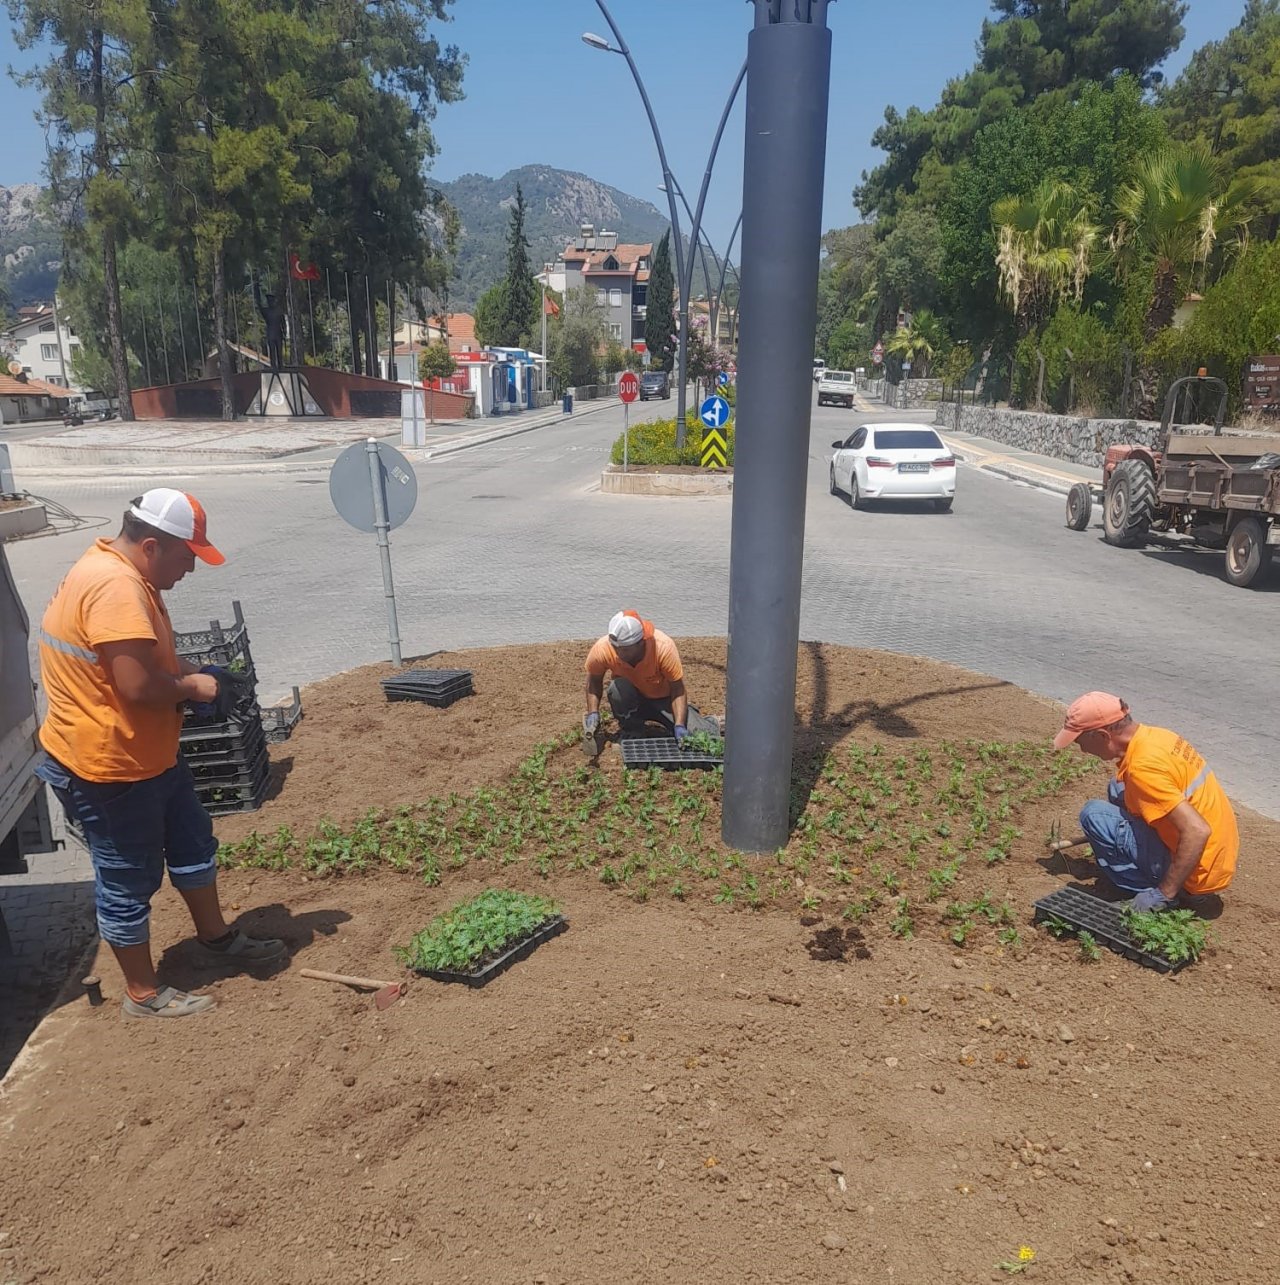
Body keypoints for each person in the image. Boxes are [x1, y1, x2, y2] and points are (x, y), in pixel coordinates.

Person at [35, 489, 284, 1019]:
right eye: (187, 556)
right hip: (109, 767)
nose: (190, 568)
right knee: (127, 876)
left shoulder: (115, 568)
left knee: (193, 843)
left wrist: (198, 672)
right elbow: (138, 687)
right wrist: (195, 687)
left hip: (148, 756)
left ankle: (215, 939)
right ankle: (143, 994)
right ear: (151, 545)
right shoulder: (116, 588)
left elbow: (138, 660)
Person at [1053, 692, 1238, 910]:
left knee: (1094, 815)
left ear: (1103, 736)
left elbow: (1198, 830)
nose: (1083, 750)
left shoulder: (1143, 769)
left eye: (1080, 742)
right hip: (1215, 859)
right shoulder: (1159, 737)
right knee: (1119, 788)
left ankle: (1157, 891)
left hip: (1196, 874)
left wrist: (1164, 893)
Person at [583, 610, 719, 745]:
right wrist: (593, 712)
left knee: (702, 734)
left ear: (640, 643)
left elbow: (678, 689)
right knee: (617, 688)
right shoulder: (603, 648)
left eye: (625, 649)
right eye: (615, 647)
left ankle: (709, 722)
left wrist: (679, 725)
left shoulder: (663, 647)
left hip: (665, 701)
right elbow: (594, 681)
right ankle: (633, 730)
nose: (618, 653)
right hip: (632, 702)